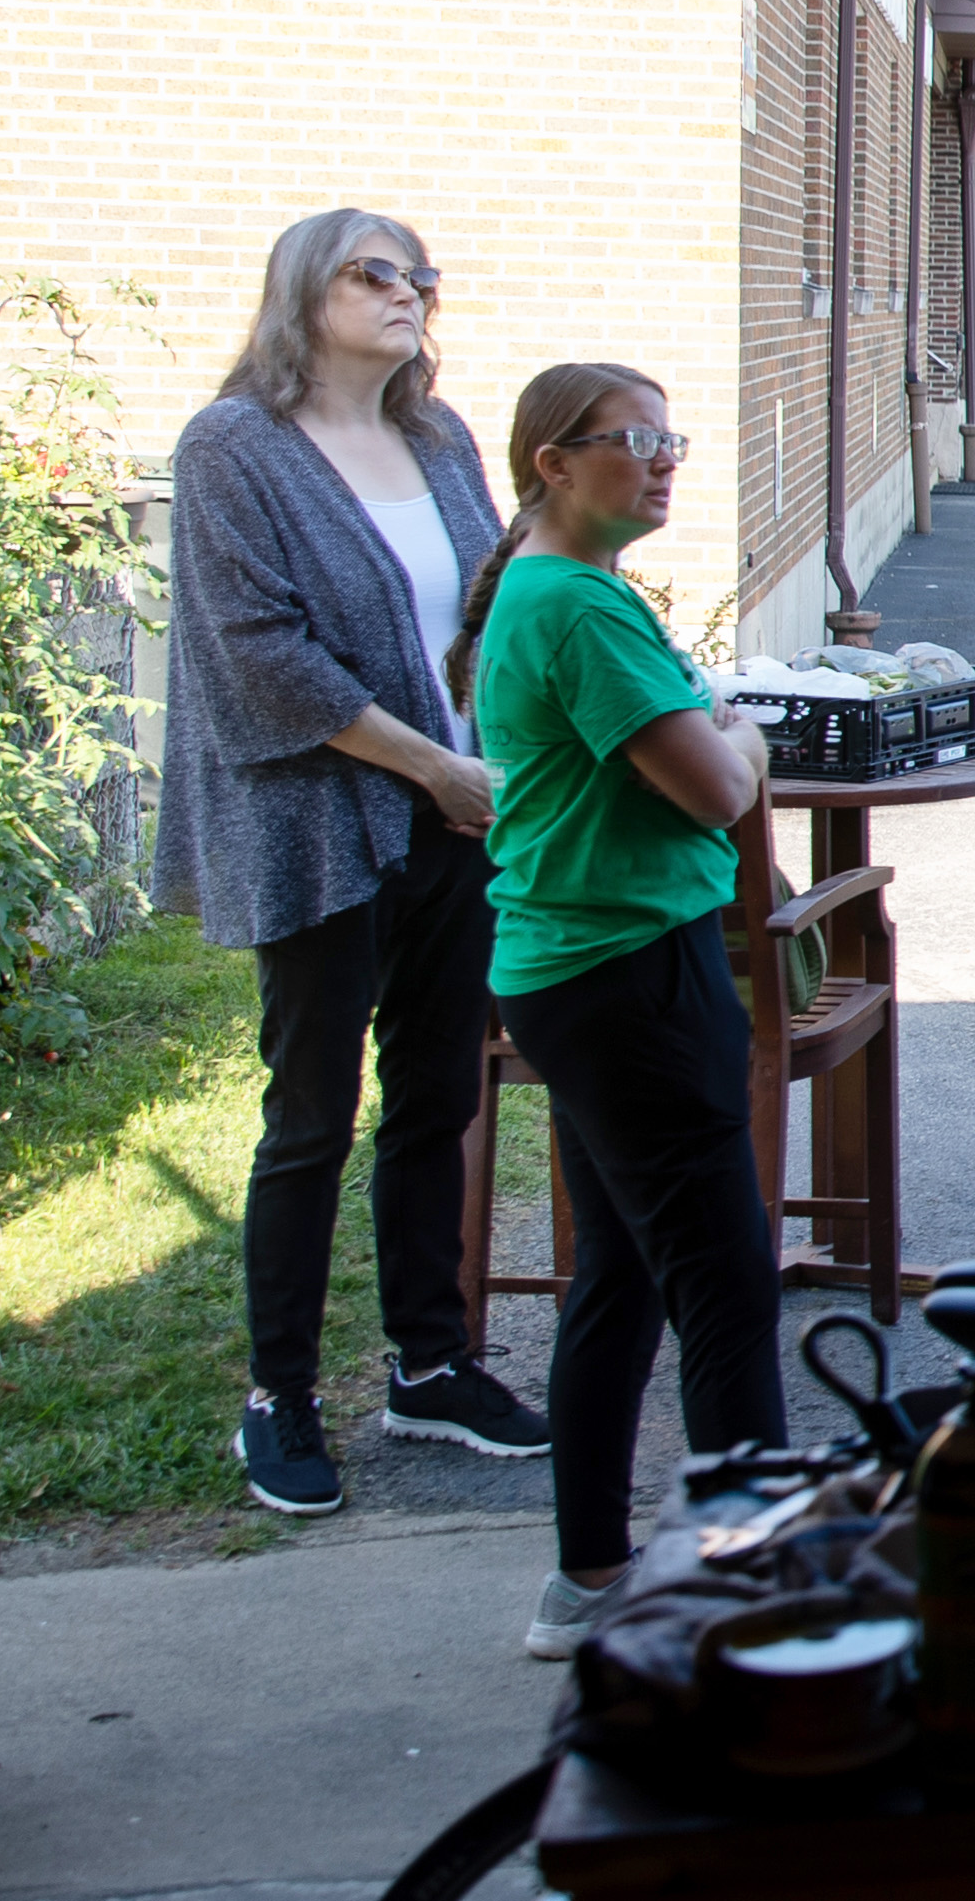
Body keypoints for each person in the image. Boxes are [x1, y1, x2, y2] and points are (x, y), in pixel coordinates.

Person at [157, 208, 553, 1516]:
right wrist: (434, 768)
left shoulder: (435, 436)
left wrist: (491, 758)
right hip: (326, 824)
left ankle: (428, 1362)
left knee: (437, 1097)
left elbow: (491, 602)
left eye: (420, 274)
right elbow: (260, 652)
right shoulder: (234, 449)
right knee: (310, 1116)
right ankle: (277, 1395)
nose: (408, 291)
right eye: (373, 273)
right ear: (300, 294)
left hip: (458, 824)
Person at [450, 362, 792, 1654]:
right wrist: (741, 729)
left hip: (574, 973)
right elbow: (714, 788)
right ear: (552, 461)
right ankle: (754, 1598)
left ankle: (588, 1576)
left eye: (671, 438)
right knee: (724, 1287)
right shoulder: (575, 608)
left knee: (623, 1276)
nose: (663, 461)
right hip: (630, 976)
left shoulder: (557, 594)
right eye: (634, 441)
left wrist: (709, 724)